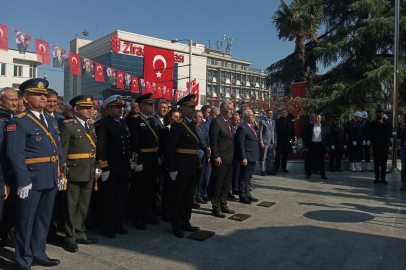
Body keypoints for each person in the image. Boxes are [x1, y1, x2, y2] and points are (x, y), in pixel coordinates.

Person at [8, 78, 66, 269]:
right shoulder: (19, 122)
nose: (44, 97)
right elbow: (15, 154)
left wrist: (60, 172)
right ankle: (24, 259)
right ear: (25, 98)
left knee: (43, 220)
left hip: (49, 177)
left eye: (45, 94)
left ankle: (39, 253)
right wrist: (23, 180)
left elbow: (57, 149)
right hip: (31, 180)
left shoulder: (51, 120)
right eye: (39, 94)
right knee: (26, 221)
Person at [59, 94, 100, 253]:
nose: (91, 110)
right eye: (86, 108)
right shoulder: (67, 125)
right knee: (71, 206)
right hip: (74, 171)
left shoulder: (90, 126)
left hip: (89, 170)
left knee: (83, 205)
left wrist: (96, 165)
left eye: (91, 107)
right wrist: (62, 173)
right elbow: (62, 151)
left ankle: (80, 232)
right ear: (76, 109)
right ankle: (70, 237)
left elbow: (93, 149)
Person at [95, 95, 131, 238]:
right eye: (117, 107)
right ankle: (107, 226)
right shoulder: (103, 123)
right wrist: (104, 167)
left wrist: (130, 160)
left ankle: (117, 224)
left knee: (121, 198)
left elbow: (125, 144)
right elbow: (101, 147)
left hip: (122, 166)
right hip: (110, 168)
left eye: (121, 107)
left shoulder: (122, 123)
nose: (120, 110)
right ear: (108, 108)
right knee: (108, 199)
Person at [167, 94, 201, 237]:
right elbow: (171, 148)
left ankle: (186, 221)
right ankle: (176, 224)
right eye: (191, 107)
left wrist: (197, 151)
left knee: (188, 197)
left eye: (194, 107)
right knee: (178, 197)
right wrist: (172, 168)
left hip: (192, 165)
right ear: (183, 108)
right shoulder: (178, 125)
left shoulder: (192, 123)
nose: (194, 109)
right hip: (181, 166)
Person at [127, 93, 161, 230]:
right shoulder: (135, 120)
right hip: (142, 159)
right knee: (139, 190)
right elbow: (134, 142)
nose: (152, 106)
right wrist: (138, 160)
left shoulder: (151, 120)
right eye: (149, 104)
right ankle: (136, 217)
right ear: (141, 106)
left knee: (150, 189)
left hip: (152, 158)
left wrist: (158, 155)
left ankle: (146, 214)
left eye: (152, 104)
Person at [209, 100, 236, 218]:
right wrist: (216, 156)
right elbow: (213, 141)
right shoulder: (216, 121)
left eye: (232, 109)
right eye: (230, 109)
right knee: (218, 184)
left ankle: (223, 203)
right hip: (220, 159)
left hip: (229, 158)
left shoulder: (227, 122)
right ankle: (216, 207)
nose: (232, 111)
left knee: (226, 184)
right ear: (223, 109)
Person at [159, 109, 180, 222]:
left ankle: (172, 210)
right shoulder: (165, 131)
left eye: (178, 117)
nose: (177, 119)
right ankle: (165, 211)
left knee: (175, 189)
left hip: (178, 163)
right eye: (175, 117)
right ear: (169, 118)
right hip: (168, 163)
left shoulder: (178, 130)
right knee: (167, 188)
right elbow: (166, 149)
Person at [235, 110, 260, 204]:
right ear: (245, 117)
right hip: (247, 156)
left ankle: (248, 193)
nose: (253, 117)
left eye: (253, 115)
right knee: (243, 177)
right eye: (251, 115)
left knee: (248, 177)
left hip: (253, 156)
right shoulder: (242, 128)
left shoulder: (251, 127)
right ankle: (243, 195)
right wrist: (243, 157)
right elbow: (241, 144)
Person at [369, 109, 393, 184]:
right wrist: (374, 121)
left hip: (384, 145)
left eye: (381, 113)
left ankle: (383, 178)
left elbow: (390, 131)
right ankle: (377, 177)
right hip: (376, 145)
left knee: (383, 162)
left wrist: (382, 123)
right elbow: (369, 129)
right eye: (378, 113)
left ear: (383, 114)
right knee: (376, 162)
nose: (379, 115)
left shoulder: (387, 122)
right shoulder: (373, 122)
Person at [304, 114, 330, 180]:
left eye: (318, 118)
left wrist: (327, 145)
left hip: (321, 145)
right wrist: (306, 145)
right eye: (316, 118)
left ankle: (323, 175)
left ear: (321, 119)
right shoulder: (310, 126)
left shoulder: (324, 126)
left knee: (321, 161)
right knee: (310, 160)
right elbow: (306, 136)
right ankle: (308, 174)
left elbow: (327, 136)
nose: (317, 119)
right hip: (312, 145)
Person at [195, 110, 210, 205]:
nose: (201, 118)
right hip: (198, 155)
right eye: (199, 117)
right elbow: (200, 140)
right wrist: (205, 148)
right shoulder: (194, 127)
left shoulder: (202, 126)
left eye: (202, 117)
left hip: (204, 154)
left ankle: (198, 194)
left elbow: (206, 139)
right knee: (196, 177)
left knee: (201, 177)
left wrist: (208, 148)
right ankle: (194, 196)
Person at [259, 109, 277, 176]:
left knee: (269, 156)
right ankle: (262, 170)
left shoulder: (273, 122)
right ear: (266, 114)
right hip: (265, 141)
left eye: (272, 113)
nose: (270, 114)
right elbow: (260, 132)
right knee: (263, 156)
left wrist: (275, 141)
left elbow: (274, 132)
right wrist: (261, 142)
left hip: (271, 142)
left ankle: (269, 170)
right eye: (269, 113)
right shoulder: (262, 121)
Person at [230, 112, 240, 196]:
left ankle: (235, 188)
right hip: (231, 153)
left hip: (238, 154)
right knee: (231, 172)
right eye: (235, 120)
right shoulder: (229, 127)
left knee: (237, 172)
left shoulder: (240, 128)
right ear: (231, 120)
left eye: (238, 120)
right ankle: (229, 189)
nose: (237, 122)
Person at [398, 122, 406, 190]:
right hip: (404, 147)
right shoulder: (403, 130)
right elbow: (398, 136)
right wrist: (400, 128)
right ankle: (403, 182)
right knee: (403, 166)